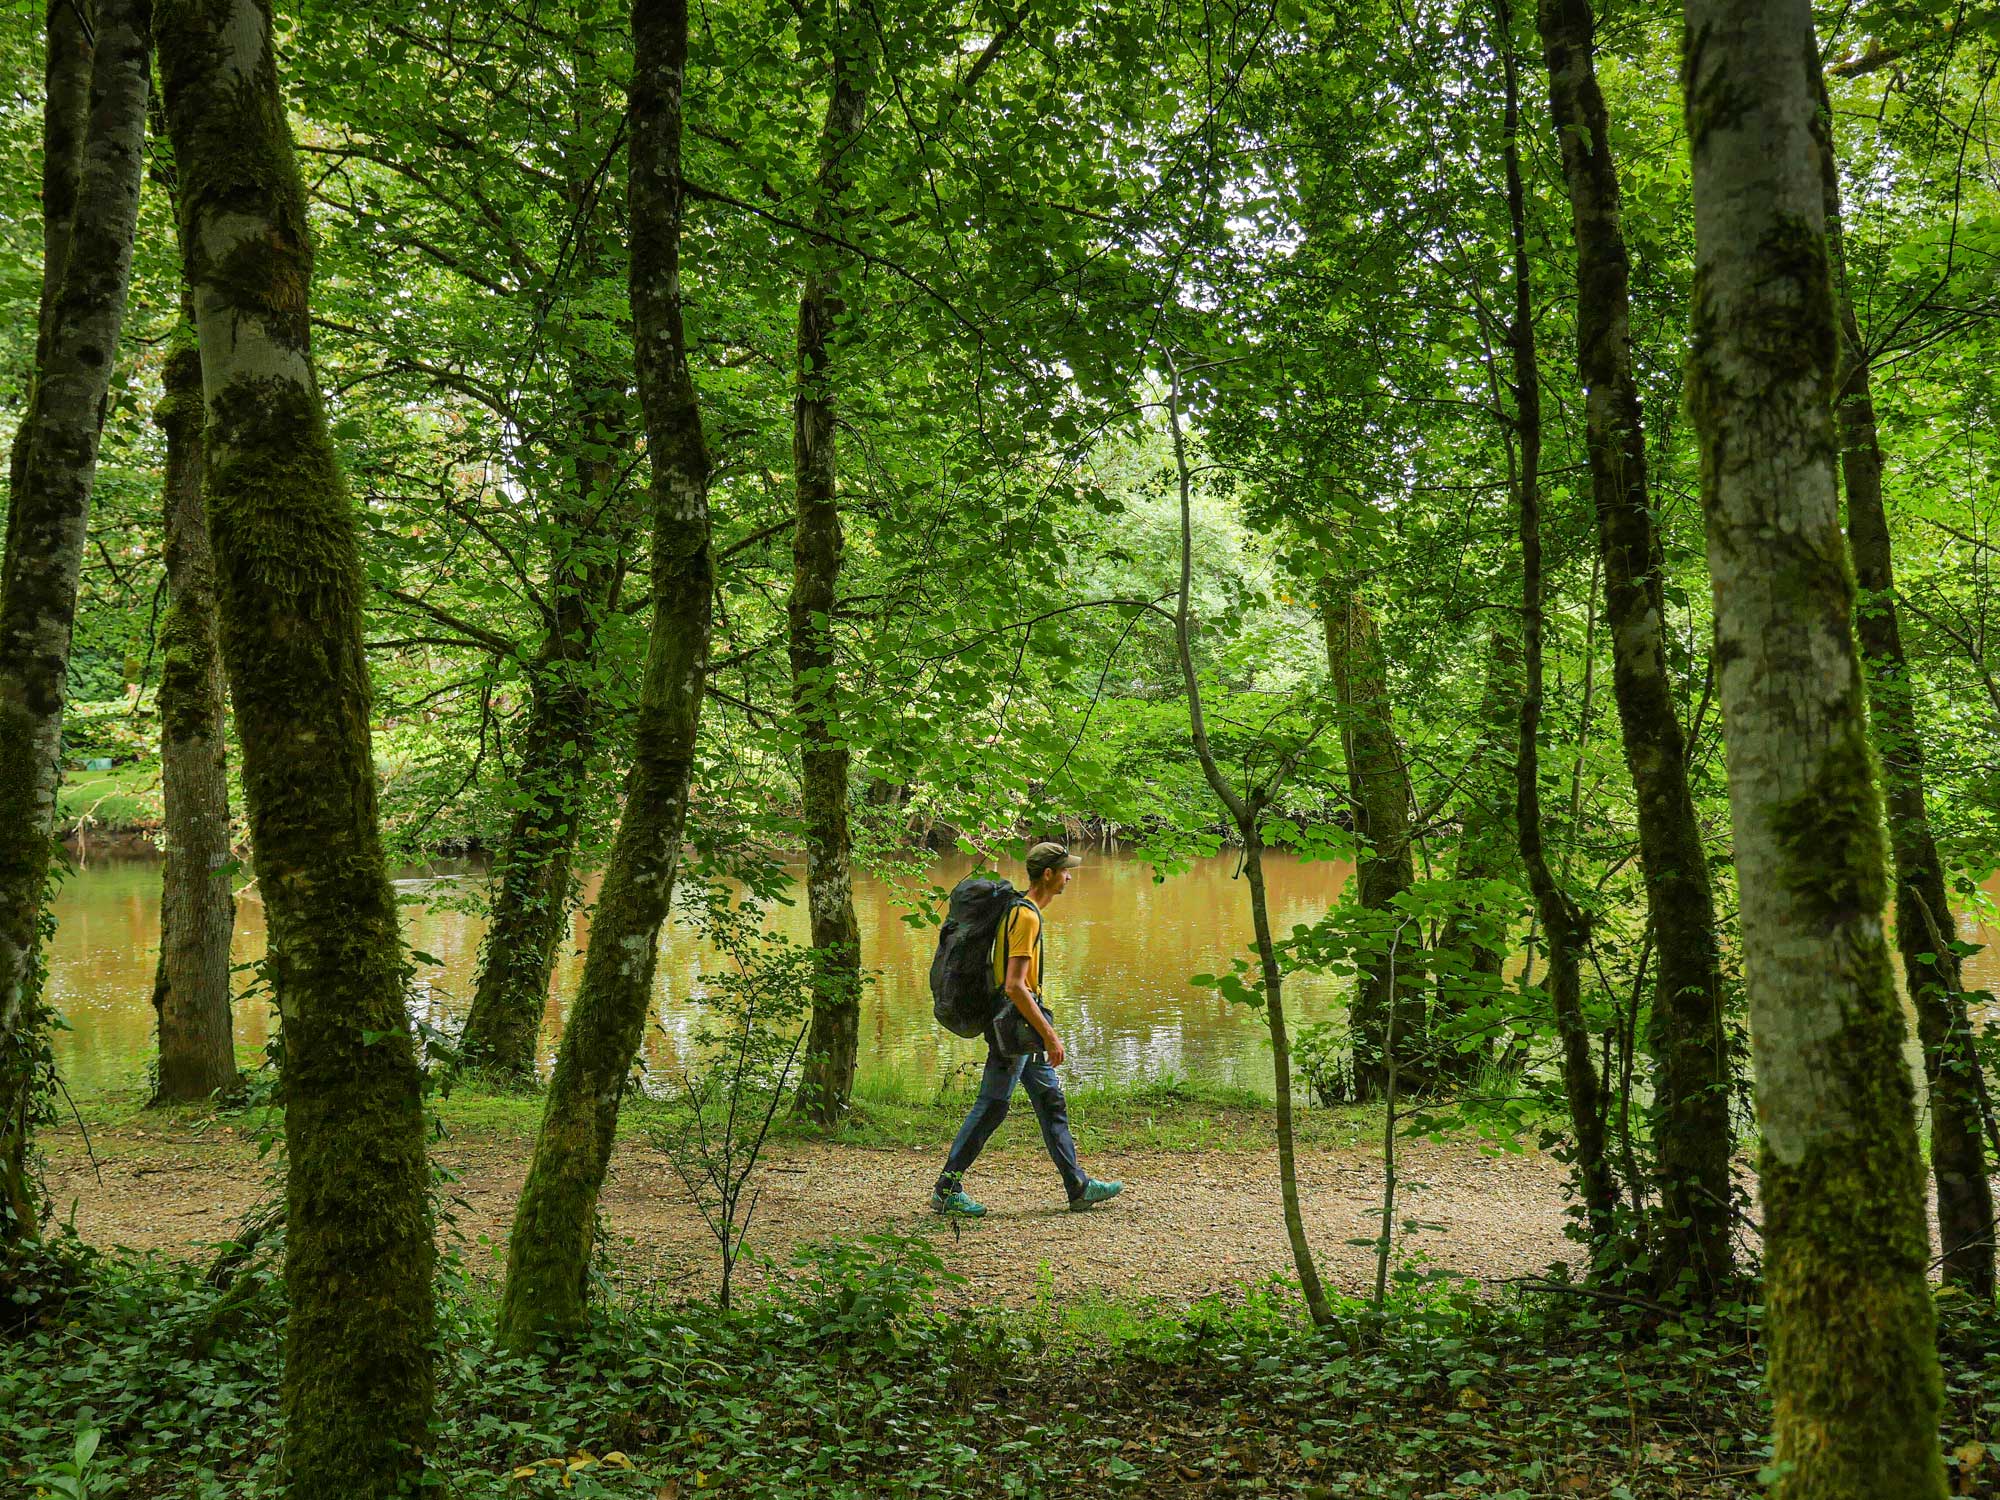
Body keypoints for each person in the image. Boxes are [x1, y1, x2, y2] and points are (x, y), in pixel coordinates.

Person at [931, 842, 1124, 1216]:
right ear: (1048, 875)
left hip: (1020, 1024)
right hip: (1015, 1025)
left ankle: (1078, 1187)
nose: (1070, 876)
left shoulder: (1021, 908)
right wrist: (1050, 1035)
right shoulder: (1027, 917)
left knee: (1050, 1100)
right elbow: (1015, 985)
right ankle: (947, 1188)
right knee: (992, 1105)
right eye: (1065, 870)